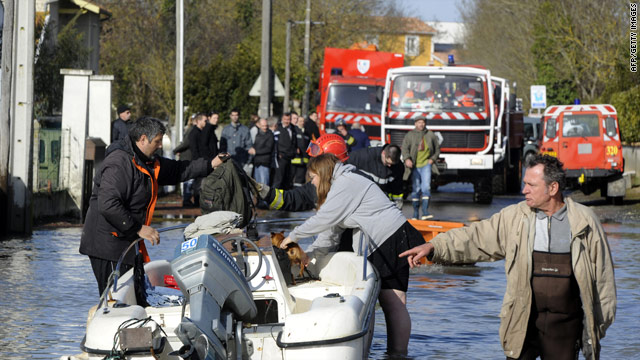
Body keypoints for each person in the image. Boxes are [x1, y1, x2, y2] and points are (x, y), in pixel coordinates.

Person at [399, 154, 616, 360]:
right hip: (522, 320)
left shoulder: (584, 222)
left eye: (531, 185)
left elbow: (603, 281)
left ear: (553, 188)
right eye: (525, 184)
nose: (524, 190)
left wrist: (596, 329)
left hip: (566, 328)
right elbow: (474, 238)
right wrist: (434, 247)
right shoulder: (515, 217)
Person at [279, 154, 424, 356]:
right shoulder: (341, 188)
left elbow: (323, 219)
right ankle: (397, 354)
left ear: (321, 173)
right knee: (395, 302)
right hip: (396, 233)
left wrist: (292, 236)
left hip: (387, 239)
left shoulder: (345, 183)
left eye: (312, 177)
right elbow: (329, 234)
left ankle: (397, 354)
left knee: (393, 302)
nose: (312, 183)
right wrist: (309, 257)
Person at [80, 117, 226, 296]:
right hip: (107, 244)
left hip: (127, 240)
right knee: (115, 296)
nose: (160, 146)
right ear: (143, 139)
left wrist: (211, 164)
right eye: (157, 141)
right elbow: (108, 204)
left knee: (136, 292)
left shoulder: (149, 161)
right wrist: (138, 228)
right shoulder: (119, 163)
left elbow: (179, 170)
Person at [401, 117, 440, 220]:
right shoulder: (410, 135)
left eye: (423, 122)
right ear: (415, 123)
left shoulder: (430, 134)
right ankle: (415, 214)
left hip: (426, 164)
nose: (421, 124)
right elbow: (404, 148)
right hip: (414, 166)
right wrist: (407, 159)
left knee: (426, 187)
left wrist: (433, 159)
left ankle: (425, 212)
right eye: (419, 122)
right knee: (416, 188)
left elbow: (437, 149)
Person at [347, 144, 404, 208]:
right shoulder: (365, 156)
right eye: (387, 162)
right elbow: (346, 164)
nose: (389, 166)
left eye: (391, 164)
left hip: (381, 200)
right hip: (362, 198)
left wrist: (397, 205)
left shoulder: (398, 167)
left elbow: (397, 188)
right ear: (383, 153)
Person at [172, 114, 197, 207]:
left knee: (189, 179)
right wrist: (176, 150)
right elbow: (186, 143)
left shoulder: (189, 129)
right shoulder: (192, 130)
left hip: (187, 156)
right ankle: (186, 199)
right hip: (188, 157)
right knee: (189, 179)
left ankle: (187, 198)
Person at [272, 112, 297, 190]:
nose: (287, 121)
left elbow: (294, 141)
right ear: (282, 119)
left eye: (288, 119)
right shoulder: (278, 128)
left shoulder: (293, 128)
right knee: (278, 180)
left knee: (288, 180)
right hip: (281, 157)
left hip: (290, 157)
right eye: (285, 119)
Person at [189, 113, 209, 207]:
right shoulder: (194, 133)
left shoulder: (200, 132)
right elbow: (194, 149)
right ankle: (197, 200)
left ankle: (198, 200)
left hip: (201, 160)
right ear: (198, 121)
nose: (206, 123)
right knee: (198, 183)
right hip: (198, 161)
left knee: (200, 182)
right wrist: (199, 161)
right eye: (205, 121)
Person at [251, 118, 274, 186]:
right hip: (257, 162)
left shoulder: (270, 135)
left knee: (264, 184)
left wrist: (255, 151)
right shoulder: (257, 134)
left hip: (264, 162)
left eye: (266, 125)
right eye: (263, 126)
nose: (265, 127)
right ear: (259, 125)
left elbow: (268, 148)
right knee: (257, 184)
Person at [291, 111, 310, 187]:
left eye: (303, 121)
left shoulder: (306, 133)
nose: (302, 123)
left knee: (300, 180)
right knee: (292, 179)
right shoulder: (294, 131)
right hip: (294, 159)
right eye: (300, 121)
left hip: (304, 160)